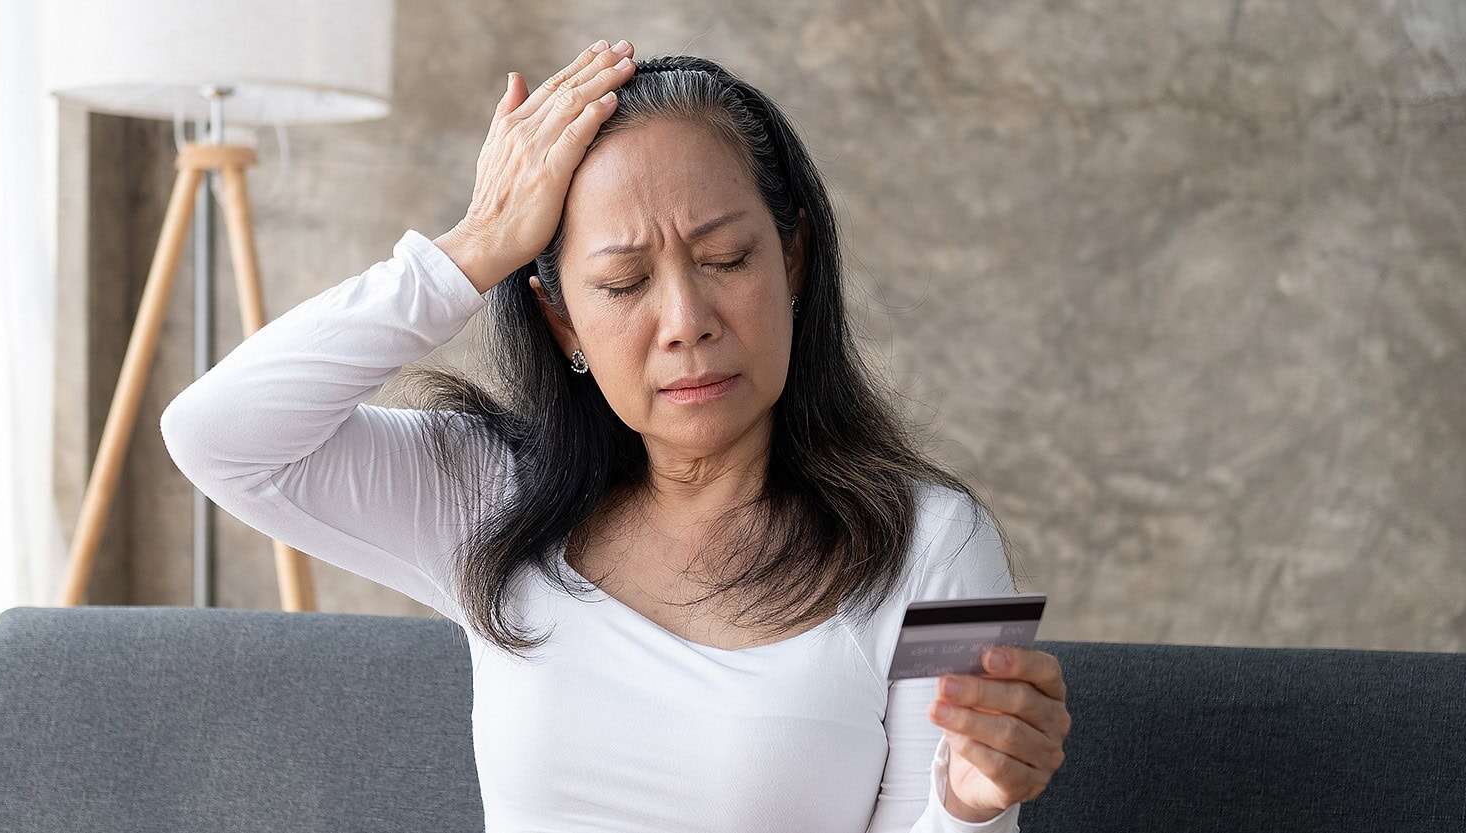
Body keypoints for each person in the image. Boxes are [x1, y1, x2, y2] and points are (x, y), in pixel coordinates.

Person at [159, 38, 1070, 833]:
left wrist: (970, 805)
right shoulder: (490, 499)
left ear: (792, 260)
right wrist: (476, 244)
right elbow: (214, 433)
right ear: (561, 319)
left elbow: (958, 803)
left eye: (726, 259)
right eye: (625, 284)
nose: (686, 321)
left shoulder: (940, 543)